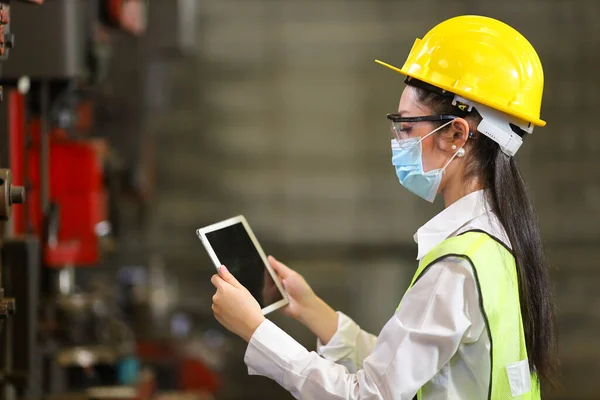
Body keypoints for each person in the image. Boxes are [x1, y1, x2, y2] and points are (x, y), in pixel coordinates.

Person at [210, 15, 558, 399]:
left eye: (406, 127)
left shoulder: (457, 267)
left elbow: (369, 394)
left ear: (456, 134)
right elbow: (414, 368)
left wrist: (256, 332)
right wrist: (313, 311)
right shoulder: (494, 245)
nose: (398, 141)